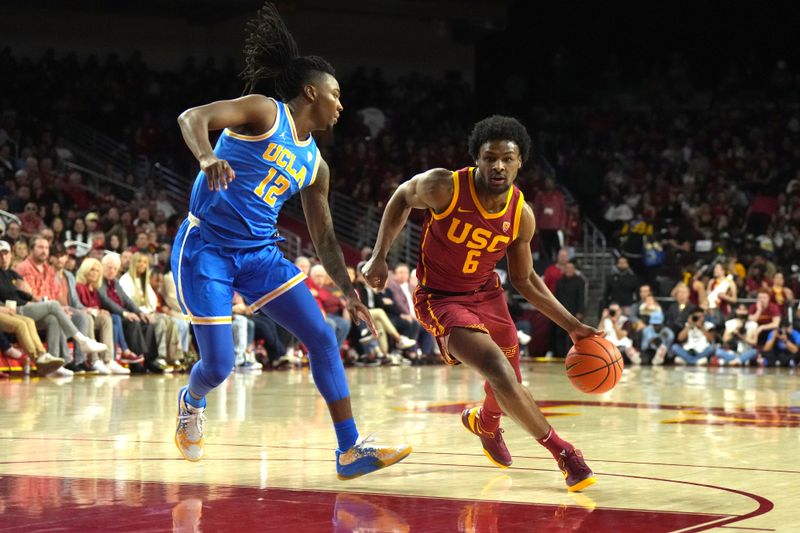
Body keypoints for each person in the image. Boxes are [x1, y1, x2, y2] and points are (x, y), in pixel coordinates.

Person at [170, 2, 410, 478]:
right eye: (335, 95)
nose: (341, 105)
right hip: (207, 249)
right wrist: (204, 157)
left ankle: (350, 449)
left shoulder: (316, 164)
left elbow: (322, 233)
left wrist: (347, 290)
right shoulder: (265, 112)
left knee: (322, 337)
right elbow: (191, 117)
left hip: (260, 256)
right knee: (217, 367)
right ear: (310, 92)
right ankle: (191, 400)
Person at [363, 115, 600, 492]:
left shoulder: (521, 214)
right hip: (441, 299)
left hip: (488, 295)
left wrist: (572, 325)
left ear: (520, 161)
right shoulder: (444, 186)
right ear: (477, 158)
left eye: (507, 158)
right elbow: (402, 196)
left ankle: (485, 423)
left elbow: (524, 279)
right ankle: (564, 453)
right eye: (490, 158)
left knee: (511, 385)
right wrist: (379, 255)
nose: (498, 166)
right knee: (498, 370)